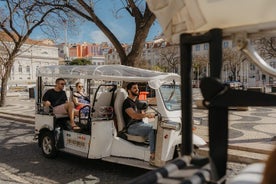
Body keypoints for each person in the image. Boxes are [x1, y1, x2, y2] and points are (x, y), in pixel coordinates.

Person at [122, 82, 156, 164]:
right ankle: (153, 154)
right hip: (132, 127)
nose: (137, 89)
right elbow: (134, 116)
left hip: (140, 125)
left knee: (156, 127)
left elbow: (142, 112)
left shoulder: (136, 102)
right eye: (134, 88)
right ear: (129, 91)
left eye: (137, 88)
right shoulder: (127, 102)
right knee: (151, 129)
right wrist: (146, 115)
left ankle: (155, 149)